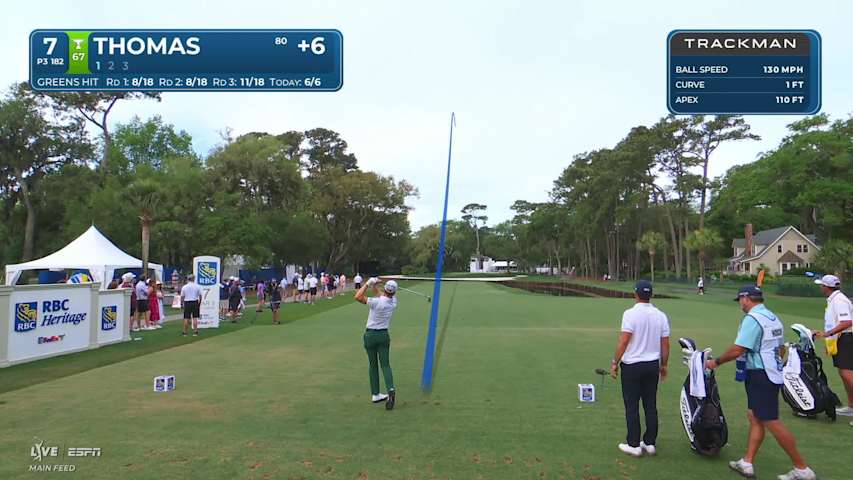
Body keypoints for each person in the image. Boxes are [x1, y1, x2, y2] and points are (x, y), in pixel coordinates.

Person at [705, 285, 815, 480]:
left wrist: (716, 362)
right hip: (771, 372)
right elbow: (781, 349)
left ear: (746, 298)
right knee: (755, 417)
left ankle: (802, 469)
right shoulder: (772, 317)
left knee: (770, 421)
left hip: (761, 374)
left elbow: (739, 349)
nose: (740, 304)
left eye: (740, 300)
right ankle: (747, 462)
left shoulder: (753, 319)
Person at [610, 280, 670, 457]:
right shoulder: (660, 315)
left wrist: (614, 362)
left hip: (632, 366)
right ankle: (650, 443)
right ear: (651, 295)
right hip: (652, 365)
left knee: (632, 405)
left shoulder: (630, 314)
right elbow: (665, 344)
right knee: (650, 404)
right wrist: (664, 364)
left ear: (635, 294)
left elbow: (624, 341)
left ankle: (634, 444)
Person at [812, 274, 853, 421]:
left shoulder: (839, 300)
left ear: (826, 287)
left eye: (821, 285)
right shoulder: (834, 299)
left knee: (848, 374)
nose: (820, 287)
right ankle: (851, 407)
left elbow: (847, 322)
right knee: (844, 373)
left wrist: (827, 334)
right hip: (842, 339)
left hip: (847, 338)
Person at [354, 277, 398, 410]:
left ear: (385, 289)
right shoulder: (393, 302)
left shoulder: (376, 302)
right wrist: (375, 284)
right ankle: (390, 389)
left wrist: (368, 283)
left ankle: (375, 394)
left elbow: (357, 296)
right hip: (383, 335)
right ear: (394, 292)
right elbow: (380, 295)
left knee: (373, 365)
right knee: (385, 365)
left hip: (370, 336)